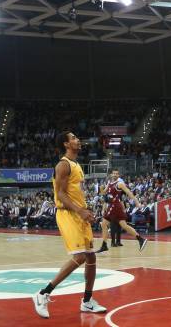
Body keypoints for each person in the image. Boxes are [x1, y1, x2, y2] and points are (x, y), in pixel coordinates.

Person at [33, 131, 105, 318]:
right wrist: (80, 210)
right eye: (73, 138)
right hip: (67, 214)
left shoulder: (76, 165)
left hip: (79, 214)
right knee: (80, 256)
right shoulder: (63, 165)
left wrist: (85, 210)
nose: (78, 140)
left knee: (91, 258)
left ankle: (87, 301)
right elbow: (61, 195)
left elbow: (74, 193)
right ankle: (43, 293)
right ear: (66, 144)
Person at [97, 169, 147, 253]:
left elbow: (129, 192)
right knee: (123, 226)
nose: (115, 175)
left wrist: (137, 202)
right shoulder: (109, 183)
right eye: (114, 173)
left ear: (118, 175)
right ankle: (140, 239)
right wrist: (101, 188)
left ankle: (104, 245)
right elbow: (103, 193)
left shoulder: (119, 184)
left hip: (116, 206)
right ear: (111, 175)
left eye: (117, 174)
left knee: (104, 224)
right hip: (112, 206)